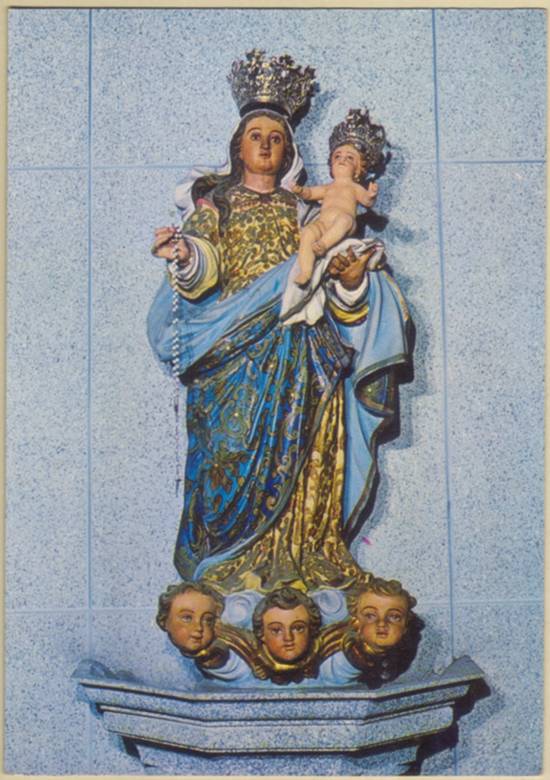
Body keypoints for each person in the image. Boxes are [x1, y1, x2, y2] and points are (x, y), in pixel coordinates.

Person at [147, 53, 411, 597]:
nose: (265, 145)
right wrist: (184, 254)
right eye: (255, 136)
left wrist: (353, 281)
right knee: (227, 451)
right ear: (237, 147)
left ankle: (301, 559)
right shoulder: (215, 206)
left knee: (308, 455)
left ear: (289, 150)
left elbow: (334, 276)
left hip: (300, 352)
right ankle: (224, 567)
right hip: (230, 356)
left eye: (275, 137)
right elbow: (201, 267)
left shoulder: (304, 212)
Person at [291, 143, 378, 286]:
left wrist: (371, 195)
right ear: (331, 166)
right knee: (307, 232)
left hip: (344, 224)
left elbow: (367, 202)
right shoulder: (328, 187)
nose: (342, 159)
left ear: (357, 170)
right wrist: (301, 191)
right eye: (337, 156)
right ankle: (306, 271)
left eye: (349, 158)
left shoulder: (355, 188)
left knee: (345, 220)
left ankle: (323, 245)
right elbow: (311, 193)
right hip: (323, 224)